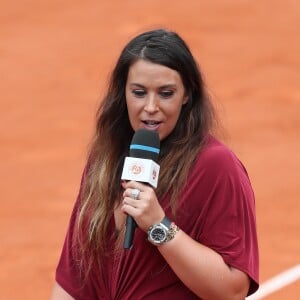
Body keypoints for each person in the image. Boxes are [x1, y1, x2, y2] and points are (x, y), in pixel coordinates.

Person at [51, 28, 259, 300]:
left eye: (166, 93)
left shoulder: (216, 166)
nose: (150, 106)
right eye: (139, 92)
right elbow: (74, 280)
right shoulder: (105, 159)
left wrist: (158, 226)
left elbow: (232, 291)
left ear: (187, 94)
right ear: (122, 92)